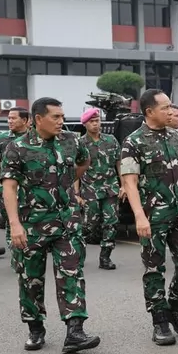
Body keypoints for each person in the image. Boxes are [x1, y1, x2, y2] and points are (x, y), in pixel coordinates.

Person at [0, 97, 100, 353]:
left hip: (67, 221)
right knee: (30, 279)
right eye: (55, 117)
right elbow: (9, 188)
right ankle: (36, 329)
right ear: (37, 119)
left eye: (62, 116)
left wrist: (67, 185)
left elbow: (83, 162)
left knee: (72, 273)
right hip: (31, 224)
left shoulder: (71, 141)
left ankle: (75, 332)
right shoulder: (17, 147)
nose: (61, 121)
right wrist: (14, 225)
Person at [120, 88, 178, 346]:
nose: (171, 111)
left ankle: (175, 307)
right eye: (166, 107)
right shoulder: (133, 142)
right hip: (152, 216)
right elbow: (129, 182)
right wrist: (139, 217)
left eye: (171, 106)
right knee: (154, 267)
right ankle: (160, 319)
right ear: (149, 112)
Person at [77, 108, 123, 270]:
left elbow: (119, 163)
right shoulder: (80, 143)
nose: (96, 124)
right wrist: (76, 193)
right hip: (90, 191)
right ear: (85, 124)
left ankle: (105, 258)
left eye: (97, 121)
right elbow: (76, 169)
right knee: (89, 226)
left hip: (110, 189)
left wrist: (123, 185)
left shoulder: (111, 140)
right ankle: (78, 255)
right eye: (92, 122)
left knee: (111, 223)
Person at [0, 107, 30, 267]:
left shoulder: (34, 138)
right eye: (9, 118)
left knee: (30, 223)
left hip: (30, 190)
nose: (9, 121)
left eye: (13, 118)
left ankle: (30, 255)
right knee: (12, 223)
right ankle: (17, 257)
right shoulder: (1, 139)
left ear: (25, 120)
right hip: (8, 189)